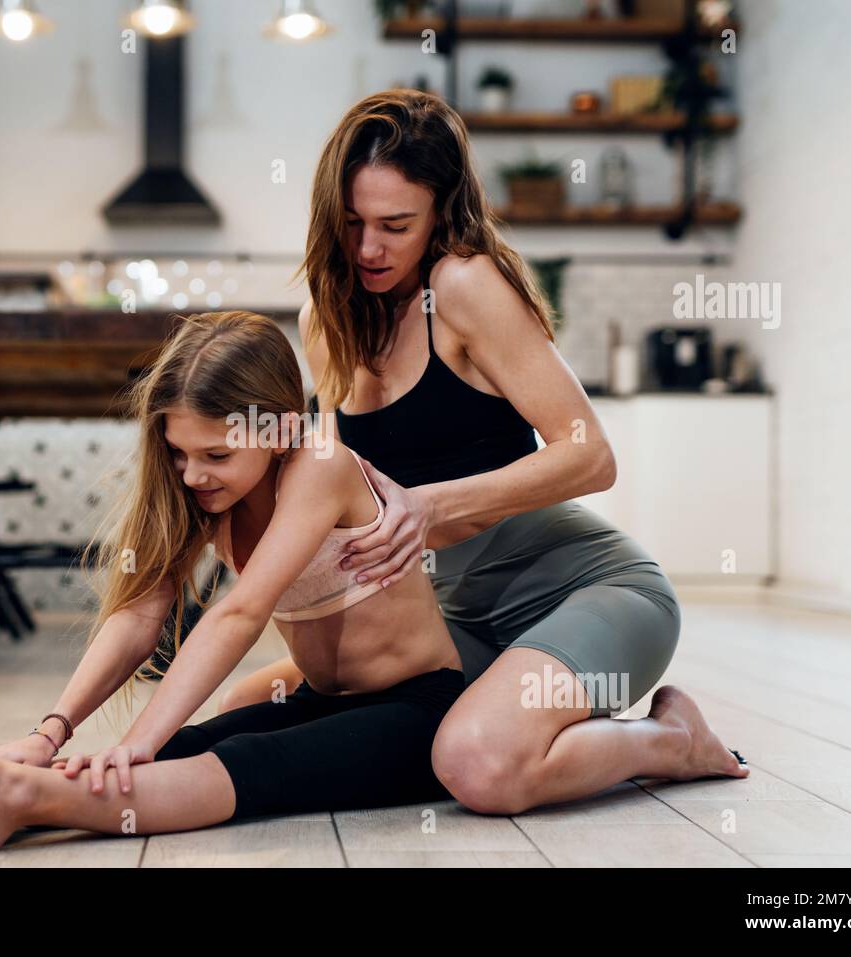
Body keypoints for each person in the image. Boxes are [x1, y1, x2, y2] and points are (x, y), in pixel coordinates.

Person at [219, 88, 748, 816]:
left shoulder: (463, 285)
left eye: (395, 225)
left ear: (440, 212)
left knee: (477, 764)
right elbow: (333, 489)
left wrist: (429, 503)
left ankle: (670, 739)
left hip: (591, 594)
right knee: (254, 700)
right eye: (351, 224)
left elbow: (592, 455)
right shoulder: (325, 318)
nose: (369, 248)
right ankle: (535, 716)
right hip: (451, 619)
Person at [0, 311, 469, 851]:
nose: (192, 474)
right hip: (320, 700)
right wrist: (52, 731)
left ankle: (9, 794)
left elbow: (241, 612)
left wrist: (133, 742)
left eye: (216, 455)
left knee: (240, 768)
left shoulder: (319, 465)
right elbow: (135, 619)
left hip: (417, 712)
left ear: (281, 427)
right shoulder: (205, 494)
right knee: (167, 757)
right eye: (179, 452)